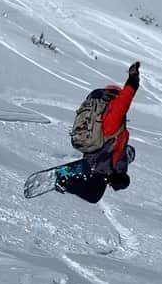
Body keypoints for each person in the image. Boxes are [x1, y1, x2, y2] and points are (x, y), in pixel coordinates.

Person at [56, 61, 140, 204]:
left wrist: (118, 175)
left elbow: (116, 149)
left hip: (95, 162)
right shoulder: (114, 114)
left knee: (94, 194)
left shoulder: (99, 116)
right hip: (100, 166)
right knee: (93, 195)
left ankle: (67, 180)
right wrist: (133, 79)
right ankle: (65, 179)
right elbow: (126, 97)